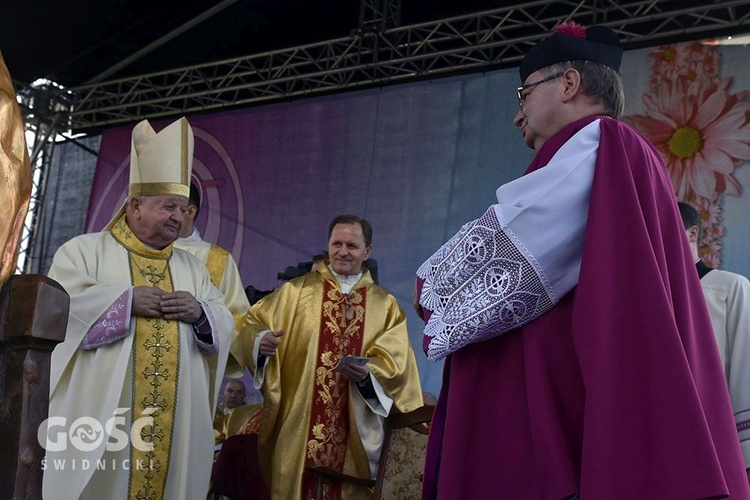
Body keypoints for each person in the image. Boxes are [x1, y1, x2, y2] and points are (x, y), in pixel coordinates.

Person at [415, 22, 750, 498]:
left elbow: (516, 244)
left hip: (568, 421)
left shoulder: (600, 140)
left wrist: (431, 285)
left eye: (523, 94)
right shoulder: (625, 152)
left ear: (568, 84)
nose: (517, 116)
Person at [43, 117, 234, 500]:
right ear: (135, 205)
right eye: (168, 206)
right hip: (103, 421)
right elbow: (57, 315)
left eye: (182, 209)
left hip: (173, 425)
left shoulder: (193, 268)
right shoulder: (83, 251)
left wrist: (200, 313)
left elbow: (225, 320)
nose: (178, 218)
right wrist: (124, 301)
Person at [233, 214, 423, 498]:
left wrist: (369, 374)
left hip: (354, 429)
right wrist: (261, 341)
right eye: (337, 243)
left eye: (352, 245)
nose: (343, 251)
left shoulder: (385, 305)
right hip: (299, 424)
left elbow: (398, 366)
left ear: (367, 251)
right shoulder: (296, 292)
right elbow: (250, 323)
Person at [679, 201, 750, 482]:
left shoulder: (730, 287)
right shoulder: (646, 297)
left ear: (693, 233)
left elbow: (746, 368)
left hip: (719, 439)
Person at [174, 182, 251, 327]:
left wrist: (258, 339)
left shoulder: (218, 259)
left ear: (190, 212)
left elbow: (237, 318)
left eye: (171, 207)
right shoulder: (146, 251)